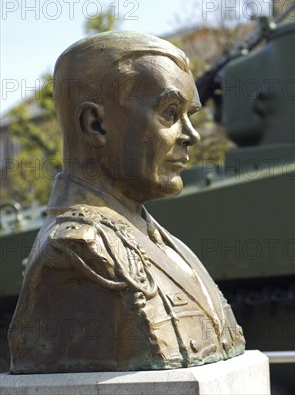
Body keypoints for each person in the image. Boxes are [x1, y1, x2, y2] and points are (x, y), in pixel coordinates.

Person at [8, 31, 245, 373]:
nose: (191, 134)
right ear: (95, 125)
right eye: (169, 113)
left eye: (189, 115)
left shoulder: (164, 241)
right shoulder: (77, 250)